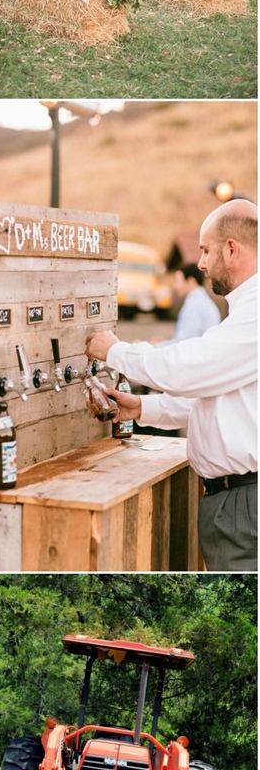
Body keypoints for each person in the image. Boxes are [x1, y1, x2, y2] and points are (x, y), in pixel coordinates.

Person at [86, 201, 258, 570]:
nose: (200, 263)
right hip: (235, 500)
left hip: (245, 502)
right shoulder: (244, 310)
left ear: (231, 248)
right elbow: (218, 397)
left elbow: (189, 369)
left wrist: (116, 351)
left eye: (206, 250)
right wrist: (144, 408)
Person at [172, 265, 221, 343]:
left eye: (178, 281)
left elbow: (185, 343)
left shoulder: (194, 305)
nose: (175, 286)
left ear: (191, 281)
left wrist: (158, 346)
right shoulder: (202, 301)